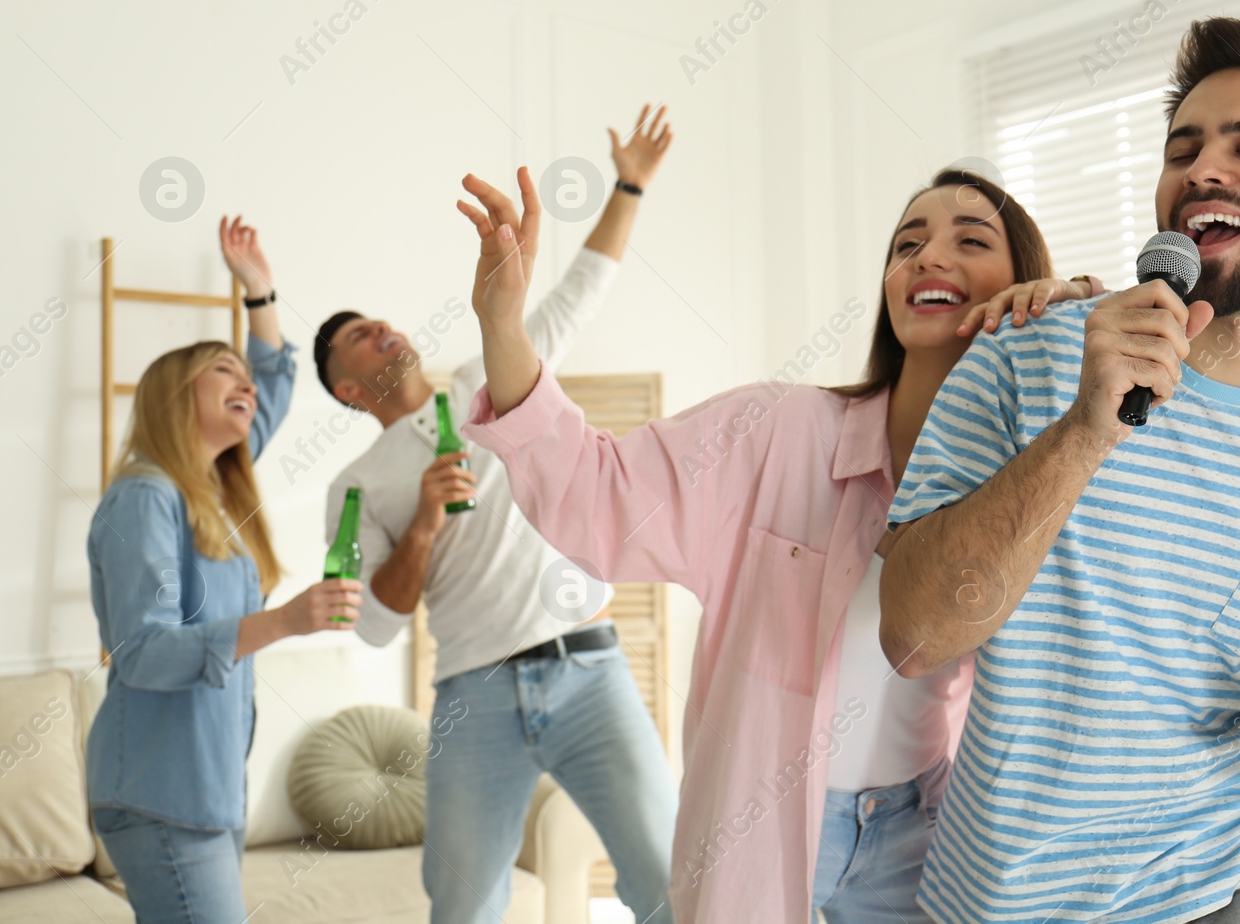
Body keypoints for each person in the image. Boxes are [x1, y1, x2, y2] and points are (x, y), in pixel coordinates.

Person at [451, 158, 1104, 922]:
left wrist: (1075, 316)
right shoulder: (777, 430)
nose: (928, 257)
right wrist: (502, 323)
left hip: (931, 836)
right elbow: (597, 495)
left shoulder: (1045, 477)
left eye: (970, 239)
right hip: (763, 830)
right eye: (907, 244)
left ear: (1024, 279)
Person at [880, 17, 1240, 924]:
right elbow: (915, 636)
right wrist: (1088, 431)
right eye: (1184, 148)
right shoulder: (1026, 355)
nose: (1202, 169)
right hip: (1018, 900)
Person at [315, 106, 678, 924]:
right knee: (463, 908)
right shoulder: (357, 485)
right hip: (472, 697)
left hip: (590, 669)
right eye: (357, 340)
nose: (380, 329)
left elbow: (583, 287)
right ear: (346, 389)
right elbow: (373, 626)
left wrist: (629, 184)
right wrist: (423, 526)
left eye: (379, 320)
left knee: (669, 881)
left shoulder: (494, 376)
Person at [87, 217, 363, 924]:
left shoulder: (213, 498)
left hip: (208, 790)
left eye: (243, 374)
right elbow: (143, 650)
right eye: (223, 371)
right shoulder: (146, 496)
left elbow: (268, 384)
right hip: (161, 794)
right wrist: (284, 620)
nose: (245, 383)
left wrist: (260, 291)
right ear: (178, 396)